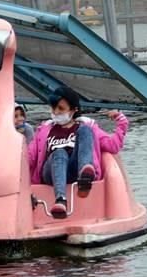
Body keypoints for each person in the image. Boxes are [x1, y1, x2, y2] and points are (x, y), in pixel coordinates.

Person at [26, 86, 129, 219]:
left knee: (86, 131)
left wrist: (121, 121)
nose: (56, 112)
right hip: (51, 172)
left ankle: (85, 177)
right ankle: (60, 200)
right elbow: (29, 157)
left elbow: (113, 146)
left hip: (74, 169)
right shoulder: (44, 130)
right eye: (53, 108)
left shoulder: (87, 126)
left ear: (74, 110)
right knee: (60, 153)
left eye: (61, 109)